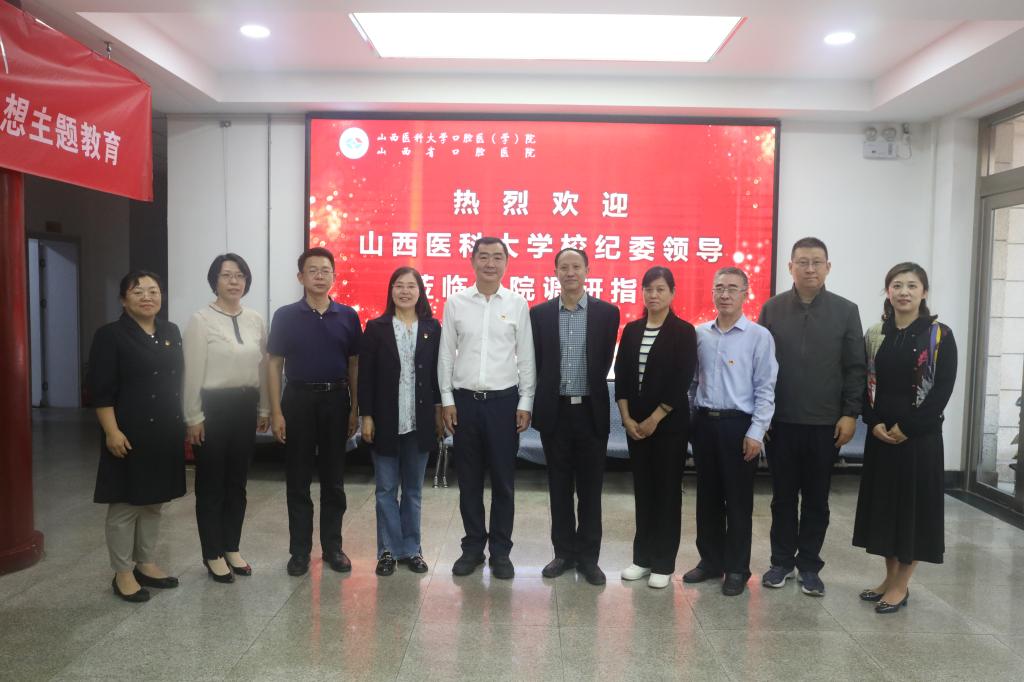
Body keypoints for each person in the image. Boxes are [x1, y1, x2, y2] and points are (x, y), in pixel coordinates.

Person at [758, 237, 866, 597]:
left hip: (825, 424)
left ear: (828, 267)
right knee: (782, 498)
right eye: (802, 262)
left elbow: (855, 368)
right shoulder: (772, 309)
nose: (809, 269)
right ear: (790, 267)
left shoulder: (845, 311)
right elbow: (759, 367)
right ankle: (780, 562)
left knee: (817, 499)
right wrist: (762, 416)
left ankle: (809, 566)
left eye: (816, 262)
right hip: (780, 423)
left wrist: (850, 414)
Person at [853, 262, 956, 614]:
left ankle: (901, 586)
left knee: (912, 512)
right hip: (881, 437)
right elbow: (865, 382)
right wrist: (873, 422)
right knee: (885, 510)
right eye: (897, 285)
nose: (904, 292)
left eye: (912, 285)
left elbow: (941, 392)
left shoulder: (939, 335)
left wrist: (908, 427)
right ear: (888, 291)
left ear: (924, 292)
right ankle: (889, 578)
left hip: (919, 440)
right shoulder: (876, 333)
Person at [439, 236, 536, 579]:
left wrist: (526, 401)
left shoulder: (517, 303)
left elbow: (526, 357)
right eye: (484, 257)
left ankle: (501, 552)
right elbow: (445, 355)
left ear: (506, 263)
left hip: (504, 404)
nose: (490, 263)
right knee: (468, 482)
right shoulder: (456, 303)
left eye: (497, 257)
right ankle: (472, 549)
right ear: (472, 261)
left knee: (503, 483)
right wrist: (447, 400)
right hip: (465, 403)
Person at [88, 271, 185, 603]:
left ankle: (145, 562)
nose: (147, 297)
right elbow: (100, 390)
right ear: (123, 299)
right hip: (128, 432)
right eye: (138, 291)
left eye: (153, 291)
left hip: (165, 431)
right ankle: (122, 572)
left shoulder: (170, 331)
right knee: (125, 504)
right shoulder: (110, 336)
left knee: (154, 502)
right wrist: (111, 431)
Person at [267, 247, 361, 577]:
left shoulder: (348, 316)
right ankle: (299, 551)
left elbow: (354, 364)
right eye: (313, 270)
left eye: (325, 270)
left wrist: (355, 408)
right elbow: (274, 364)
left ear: (334, 276)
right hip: (298, 401)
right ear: (300, 277)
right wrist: (276, 412)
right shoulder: (285, 316)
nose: (320, 276)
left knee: (334, 480)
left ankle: (333, 547)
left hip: (336, 401)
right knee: (298, 480)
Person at [685, 267, 778, 596]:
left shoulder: (759, 337)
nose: (724, 294)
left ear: (745, 294)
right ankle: (710, 561)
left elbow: (766, 388)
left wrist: (756, 432)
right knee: (707, 498)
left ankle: (737, 568)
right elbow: (692, 383)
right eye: (719, 288)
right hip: (705, 424)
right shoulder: (700, 334)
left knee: (738, 501)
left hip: (739, 426)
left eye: (732, 289)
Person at [530, 248, 620, 586]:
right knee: (559, 487)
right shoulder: (539, 314)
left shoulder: (607, 314)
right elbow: (538, 362)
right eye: (564, 267)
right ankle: (563, 553)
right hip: (555, 412)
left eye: (576, 266)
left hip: (590, 412)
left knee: (590, 490)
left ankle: (588, 557)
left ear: (587, 270)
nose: (570, 272)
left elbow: (603, 361)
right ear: (555, 272)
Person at [183, 253, 270, 583]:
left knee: (237, 482)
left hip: (245, 405)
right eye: (226, 275)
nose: (234, 281)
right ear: (214, 281)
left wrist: (263, 408)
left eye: (240, 275)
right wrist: (193, 415)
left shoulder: (255, 319)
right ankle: (212, 553)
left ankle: (231, 546)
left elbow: (262, 367)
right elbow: (192, 373)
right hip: (212, 408)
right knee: (211, 484)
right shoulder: (201, 320)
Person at [615, 266, 697, 589]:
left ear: (672, 293)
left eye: (660, 289)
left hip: (669, 427)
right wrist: (626, 418)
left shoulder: (684, 332)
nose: (653, 295)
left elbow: (681, 380)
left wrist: (654, 418)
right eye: (648, 289)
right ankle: (642, 558)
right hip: (635, 427)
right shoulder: (632, 330)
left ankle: (663, 562)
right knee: (643, 491)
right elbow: (622, 377)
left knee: (666, 493)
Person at [359, 267, 443, 577]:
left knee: (413, 491)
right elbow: (365, 376)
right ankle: (388, 551)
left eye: (411, 286)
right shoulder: (376, 327)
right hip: (385, 422)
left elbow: (437, 376)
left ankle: (412, 549)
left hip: (419, 423)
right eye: (399, 286)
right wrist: (367, 416)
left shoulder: (432, 327)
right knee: (385, 489)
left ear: (420, 291)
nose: (405, 291)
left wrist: (439, 412)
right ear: (391, 291)